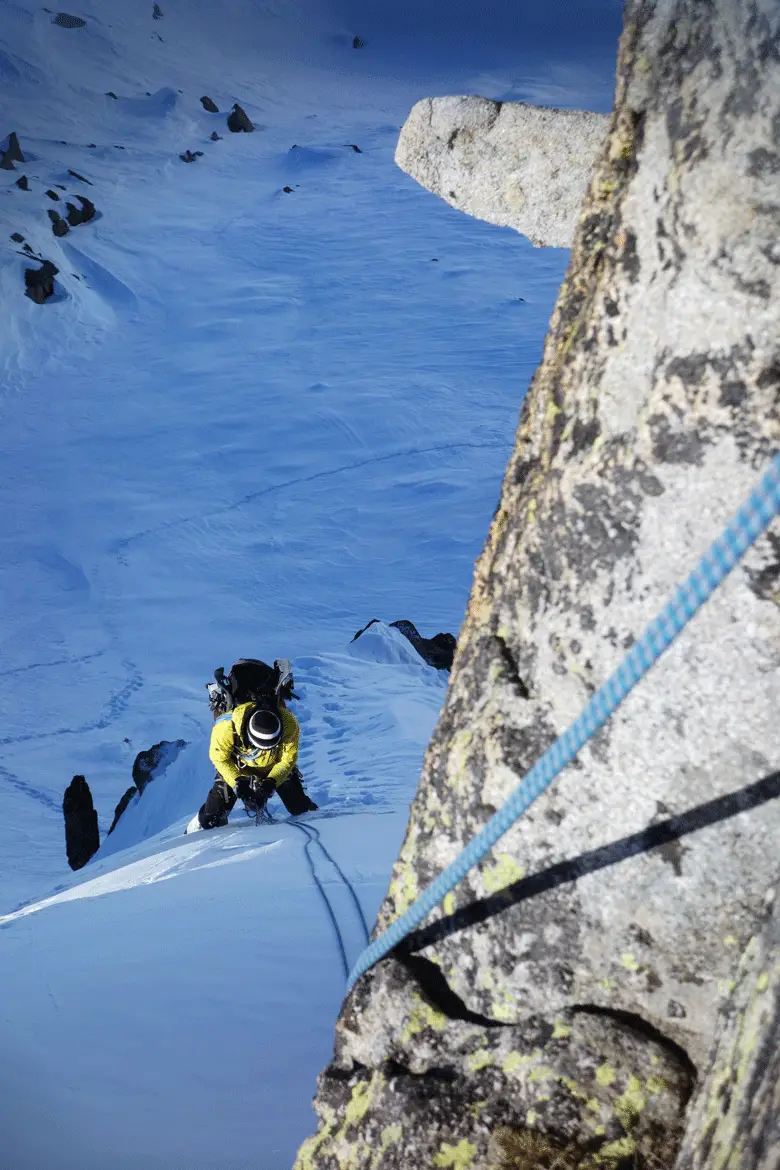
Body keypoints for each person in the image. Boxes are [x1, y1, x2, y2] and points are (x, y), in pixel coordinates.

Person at [196, 700, 318, 830]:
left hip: (274, 765)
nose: (263, 752)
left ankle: (315, 813)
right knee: (210, 820)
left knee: (300, 809)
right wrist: (237, 782)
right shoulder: (225, 727)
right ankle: (199, 822)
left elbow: (287, 759)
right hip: (238, 767)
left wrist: (272, 781)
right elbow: (219, 759)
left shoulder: (289, 723)